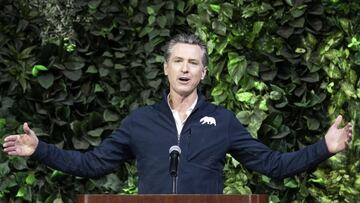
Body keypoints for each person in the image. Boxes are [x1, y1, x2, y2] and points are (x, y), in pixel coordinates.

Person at [3, 33, 353, 194]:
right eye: (178, 61)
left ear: (203, 73)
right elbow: (92, 165)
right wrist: (40, 150)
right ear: (166, 69)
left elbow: (273, 165)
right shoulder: (140, 121)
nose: (185, 69)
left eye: (194, 62)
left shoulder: (223, 121)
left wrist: (324, 147)